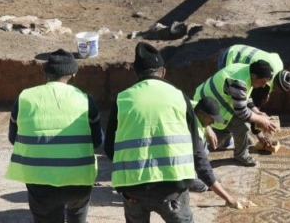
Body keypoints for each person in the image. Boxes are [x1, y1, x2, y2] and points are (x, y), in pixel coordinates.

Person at [106, 43, 249, 222]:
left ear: (136, 73)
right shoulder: (180, 97)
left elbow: (110, 149)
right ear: (163, 72)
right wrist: (227, 197)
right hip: (172, 190)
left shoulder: (122, 99)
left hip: (133, 189)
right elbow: (198, 154)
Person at [6, 49, 103, 223]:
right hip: (78, 179)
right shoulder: (85, 100)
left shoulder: (25, 98)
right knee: (78, 211)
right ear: (73, 73)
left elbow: (13, 138)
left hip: (39, 181)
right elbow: (97, 141)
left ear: (45, 73)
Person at [192, 61, 278, 166]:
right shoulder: (239, 82)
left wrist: (256, 111)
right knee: (241, 126)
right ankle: (240, 154)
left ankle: (231, 139)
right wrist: (261, 120)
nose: (264, 86)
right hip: (205, 109)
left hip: (215, 104)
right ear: (254, 76)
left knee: (240, 126)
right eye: (263, 82)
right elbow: (242, 112)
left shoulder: (247, 70)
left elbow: (244, 95)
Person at [217, 45, 290, 153]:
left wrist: (258, 111)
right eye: (278, 89)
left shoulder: (278, 67)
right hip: (230, 59)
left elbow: (251, 103)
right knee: (233, 103)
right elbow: (246, 109)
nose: (276, 92)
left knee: (242, 100)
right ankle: (224, 139)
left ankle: (240, 134)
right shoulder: (265, 82)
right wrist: (260, 134)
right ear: (276, 84)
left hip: (237, 50)